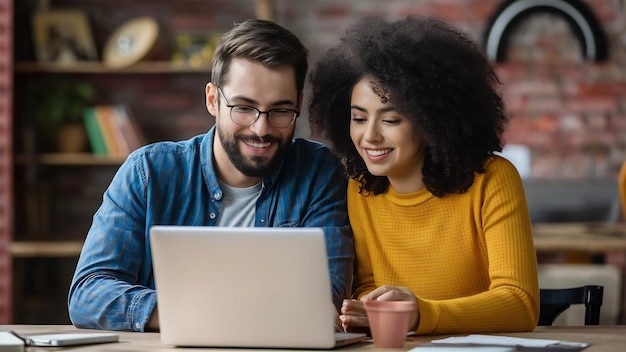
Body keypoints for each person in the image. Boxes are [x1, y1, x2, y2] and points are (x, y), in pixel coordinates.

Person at [68, 19, 354, 332]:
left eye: (280, 111)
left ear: (298, 104)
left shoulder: (318, 173)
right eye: (243, 108)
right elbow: (88, 294)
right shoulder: (148, 172)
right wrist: (199, 313)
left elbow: (326, 299)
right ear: (213, 100)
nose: (261, 129)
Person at [308, 16, 539, 335]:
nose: (369, 136)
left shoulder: (493, 179)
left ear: (430, 122)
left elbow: (520, 304)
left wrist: (421, 314)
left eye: (390, 121)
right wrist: (364, 309)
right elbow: (370, 285)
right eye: (359, 118)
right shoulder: (361, 190)